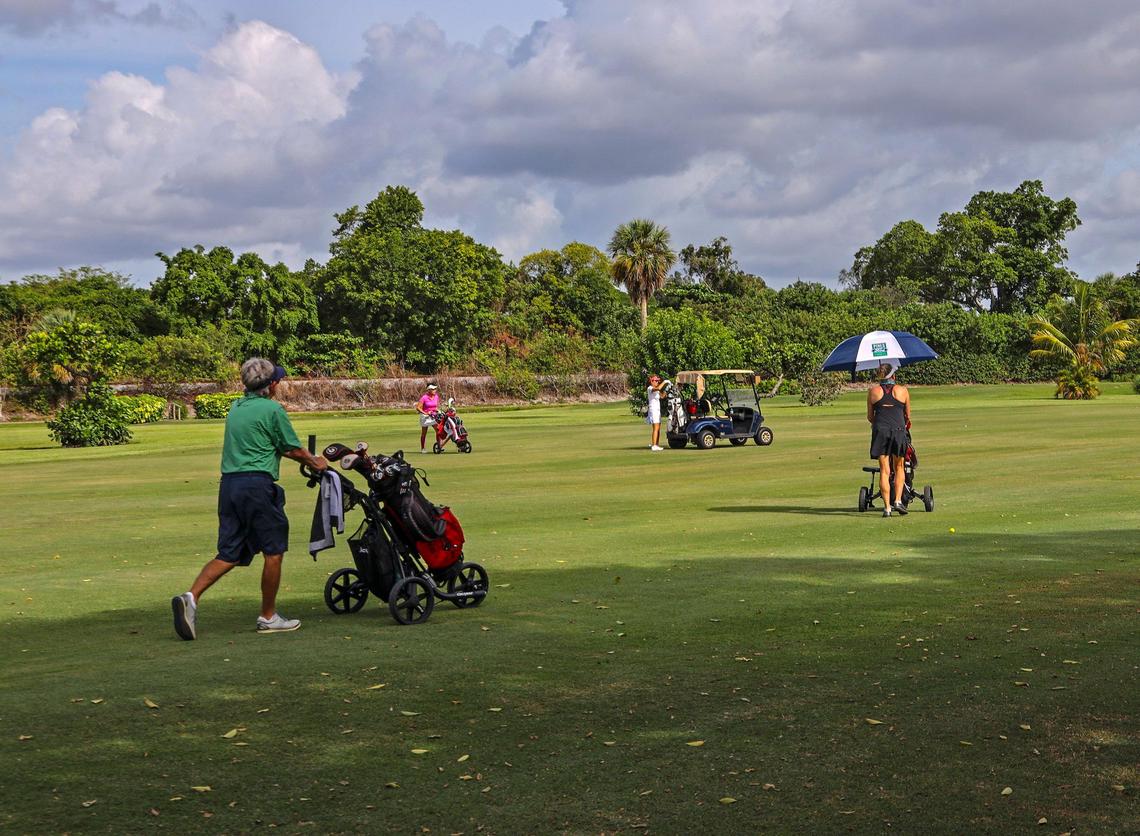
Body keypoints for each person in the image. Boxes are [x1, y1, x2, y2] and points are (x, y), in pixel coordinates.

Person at [171, 358, 328, 640]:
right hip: (257, 486)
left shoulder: (236, 408)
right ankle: (268, 617)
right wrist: (316, 462)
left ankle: (190, 597)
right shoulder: (272, 410)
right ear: (271, 385)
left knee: (229, 553)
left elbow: (272, 445)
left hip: (230, 486)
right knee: (274, 550)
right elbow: (291, 447)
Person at [866, 361, 911, 517]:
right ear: (893, 375)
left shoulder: (873, 392)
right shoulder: (903, 391)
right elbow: (907, 416)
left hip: (881, 432)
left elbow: (870, 417)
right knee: (899, 467)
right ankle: (898, 500)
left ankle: (887, 508)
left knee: (885, 471)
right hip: (898, 431)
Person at [416, 383, 441, 453]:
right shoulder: (424, 397)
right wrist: (425, 413)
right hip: (425, 417)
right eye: (433, 389)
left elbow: (435, 406)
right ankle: (423, 448)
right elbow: (418, 407)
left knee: (438, 431)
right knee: (424, 433)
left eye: (435, 389)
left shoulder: (436, 396)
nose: (435, 390)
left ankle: (439, 446)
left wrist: (437, 410)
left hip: (434, 416)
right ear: (429, 390)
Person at [646, 374, 665, 451]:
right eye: (656, 381)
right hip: (653, 410)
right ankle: (654, 445)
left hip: (657, 410)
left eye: (658, 381)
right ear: (651, 381)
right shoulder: (650, 388)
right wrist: (664, 382)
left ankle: (656, 444)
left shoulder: (657, 389)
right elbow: (658, 388)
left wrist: (666, 389)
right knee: (655, 428)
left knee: (658, 428)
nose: (657, 382)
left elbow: (663, 396)